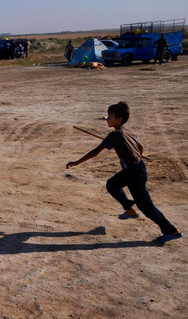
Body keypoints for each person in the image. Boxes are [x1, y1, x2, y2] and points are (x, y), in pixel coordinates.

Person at [66, 101, 182, 243]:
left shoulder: (115, 136)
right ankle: (130, 209)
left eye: (110, 116)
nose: (107, 118)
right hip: (136, 169)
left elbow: (95, 152)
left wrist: (76, 162)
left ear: (119, 118)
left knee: (146, 206)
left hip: (135, 173)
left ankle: (172, 231)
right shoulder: (130, 131)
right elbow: (140, 146)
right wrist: (138, 155)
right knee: (112, 185)